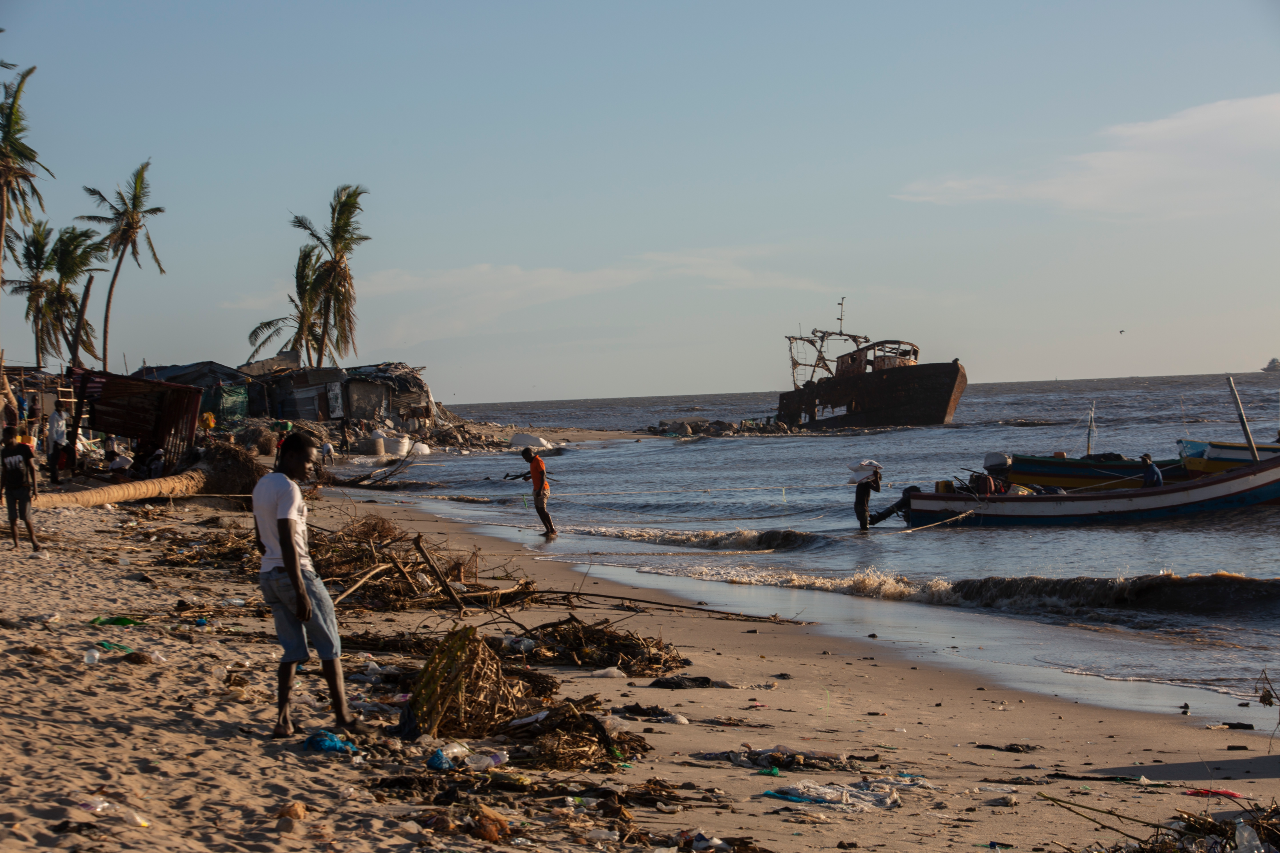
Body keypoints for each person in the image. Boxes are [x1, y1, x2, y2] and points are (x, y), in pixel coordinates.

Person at [253, 432, 374, 739]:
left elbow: (259, 540)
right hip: (296, 574)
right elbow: (287, 540)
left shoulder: (262, 485)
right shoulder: (289, 489)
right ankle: (343, 717)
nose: (311, 468)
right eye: (308, 461)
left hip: (268, 575)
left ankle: (283, 720)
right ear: (291, 456)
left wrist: (276, 567)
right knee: (330, 645)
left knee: (292, 650)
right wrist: (301, 590)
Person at [1, 427, 39, 552]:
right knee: (12, 518)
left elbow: (32, 468)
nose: (3, 439)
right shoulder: (4, 452)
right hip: (10, 489)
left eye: (5, 436)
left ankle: (34, 542)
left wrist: (35, 488)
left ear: (12, 437)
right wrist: (0, 491)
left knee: (26, 518)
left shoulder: (23, 449)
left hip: (23, 487)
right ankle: (16, 544)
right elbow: (4, 472)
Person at [521, 446, 556, 536]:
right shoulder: (532, 462)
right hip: (536, 489)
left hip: (543, 489)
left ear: (530, 454)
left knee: (542, 510)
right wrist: (529, 477)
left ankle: (552, 530)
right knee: (538, 510)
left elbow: (543, 475)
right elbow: (535, 474)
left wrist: (540, 490)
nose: (525, 460)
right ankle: (547, 530)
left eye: (526, 458)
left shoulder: (538, 461)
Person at [853, 463, 882, 531]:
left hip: (860, 507)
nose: (875, 483)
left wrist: (867, 510)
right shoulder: (866, 482)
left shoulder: (863, 482)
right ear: (873, 477)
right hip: (861, 508)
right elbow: (878, 489)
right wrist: (877, 477)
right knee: (865, 528)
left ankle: (863, 539)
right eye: (876, 481)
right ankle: (863, 540)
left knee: (864, 527)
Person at [47, 400, 68, 485]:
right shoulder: (53, 416)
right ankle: (54, 479)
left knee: (56, 459)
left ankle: (55, 477)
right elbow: (52, 430)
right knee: (54, 461)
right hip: (55, 441)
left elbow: (67, 415)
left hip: (61, 440)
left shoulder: (62, 414)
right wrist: (55, 440)